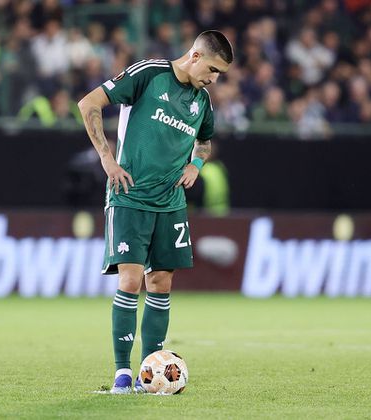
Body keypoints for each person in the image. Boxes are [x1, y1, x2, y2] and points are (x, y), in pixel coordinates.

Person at [77, 30, 233, 393]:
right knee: (130, 281)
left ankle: (149, 372)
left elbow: (205, 141)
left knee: (161, 283)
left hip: (171, 204)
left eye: (220, 74)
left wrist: (196, 163)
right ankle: (121, 374)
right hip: (129, 196)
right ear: (195, 56)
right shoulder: (149, 73)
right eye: (212, 69)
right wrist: (107, 159)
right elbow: (88, 104)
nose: (214, 79)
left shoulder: (202, 101)